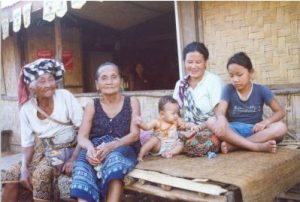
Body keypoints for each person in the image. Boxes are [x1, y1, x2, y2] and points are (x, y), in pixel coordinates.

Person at [173, 42, 278, 157]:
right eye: (189, 62)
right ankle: (252, 144)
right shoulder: (181, 85)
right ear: (184, 62)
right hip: (190, 129)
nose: (193, 66)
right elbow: (174, 112)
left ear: (205, 63)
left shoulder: (213, 81)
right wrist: (182, 124)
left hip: (210, 129)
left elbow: (219, 111)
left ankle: (236, 144)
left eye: (198, 62)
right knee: (170, 138)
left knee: (209, 135)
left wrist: (220, 119)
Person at [1, 58, 84, 201]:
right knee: (12, 172)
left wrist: (74, 158)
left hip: (65, 148)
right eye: (42, 81)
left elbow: (84, 129)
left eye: (51, 79)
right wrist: (24, 168)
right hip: (41, 152)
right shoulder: (27, 109)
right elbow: (28, 145)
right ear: (32, 87)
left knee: (41, 173)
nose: (49, 85)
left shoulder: (64, 96)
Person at [70, 62, 141, 202]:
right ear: (97, 84)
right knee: (82, 168)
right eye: (104, 78)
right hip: (96, 147)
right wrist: (90, 149)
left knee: (114, 162)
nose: (109, 82)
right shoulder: (92, 104)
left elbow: (135, 135)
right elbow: (82, 137)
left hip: (123, 146)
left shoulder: (132, 101)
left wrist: (112, 146)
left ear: (120, 81)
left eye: (114, 77)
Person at [215, 52, 287, 153]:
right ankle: (255, 146)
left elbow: (280, 112)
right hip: (233, 131)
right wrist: (221, 118)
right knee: (211, 121)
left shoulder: (261, 90)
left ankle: (235, 146)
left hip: (255, 132)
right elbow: (220, 110)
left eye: (239, 75)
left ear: (251, 72)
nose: (235, 79)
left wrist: (265, 122)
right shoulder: (228, 89)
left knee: (281, 127)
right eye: (231, 76)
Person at [136, 95, 196, 161]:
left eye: (177, 113)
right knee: (153, 140)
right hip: (159, 146)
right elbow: (147, 127)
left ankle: (170, 153)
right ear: (162, 114)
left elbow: (185, 125)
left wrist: (191, 126)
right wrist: (141, 124)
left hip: (172, 145)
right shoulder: (157, 122)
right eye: (173, 113)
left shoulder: (176, 121)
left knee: (180, 144)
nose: (176, 116)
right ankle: (141, 154)